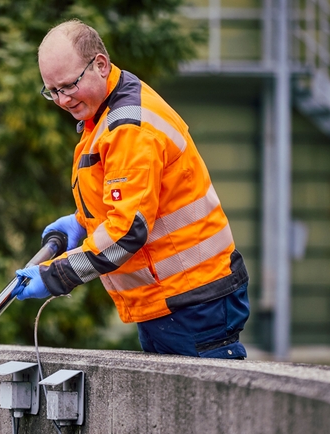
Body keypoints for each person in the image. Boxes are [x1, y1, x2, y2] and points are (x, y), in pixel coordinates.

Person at [13, 19, 250, 359]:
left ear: (100, 64)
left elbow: (126, 233)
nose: (63, 100)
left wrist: (56, 275)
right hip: (175, 299)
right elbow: (132, 199)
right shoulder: (106, 112)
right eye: (52, 91)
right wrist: (82, 222)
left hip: (194, 302)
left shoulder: (128, 126)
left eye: (68, 86)